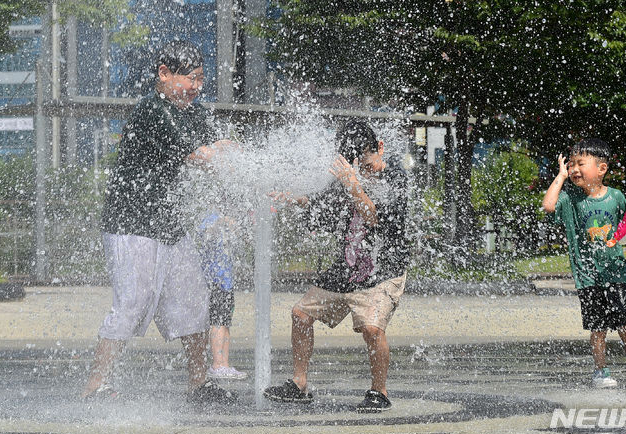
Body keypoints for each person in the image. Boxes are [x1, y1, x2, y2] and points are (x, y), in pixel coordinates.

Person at [81, 40, 236, 403]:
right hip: (131, 225)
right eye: (190, 79)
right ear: (164, 75)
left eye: (201, 79)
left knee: (194, 300)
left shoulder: (193, 111)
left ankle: (199, 385)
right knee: (132, 302)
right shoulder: (153, 110)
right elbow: (201, 155)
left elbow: (225, 144)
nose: (197, 87)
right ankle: (95, 386)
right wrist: (222, 152)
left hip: (169, 226)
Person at [264, 120, 409, 413]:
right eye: (357, 166)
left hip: (383, 269)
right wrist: (292, 198)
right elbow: (320, 202)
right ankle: (299, 384)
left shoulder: (395, 176)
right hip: (347, 266)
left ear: (380, 148)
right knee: (301, 314)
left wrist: (352, 182)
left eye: (367, 163)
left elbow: (372, 217)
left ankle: (379, 391)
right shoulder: (349, 175)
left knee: (371, 328)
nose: (364, 171)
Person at [542, 138, 626, 388]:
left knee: (624, 315)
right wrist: (560, 177)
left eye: (580, 164)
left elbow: (622, 231)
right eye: (571, 164)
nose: (574, 169)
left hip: (613, 270)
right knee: (598, 325)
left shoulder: (616, 197)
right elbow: (548, 205)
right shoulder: (569, 199)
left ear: (602, 169)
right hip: (586, 275)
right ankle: (601, 370)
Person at [197, 212, 247, 380]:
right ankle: (218, 364)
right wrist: (222, 221)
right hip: (215, 281)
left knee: (224, 323)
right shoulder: (210, 218)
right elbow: (206, 233)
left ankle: (224, 363)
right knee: (218, 322)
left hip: (226, 282)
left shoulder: (221, 218)